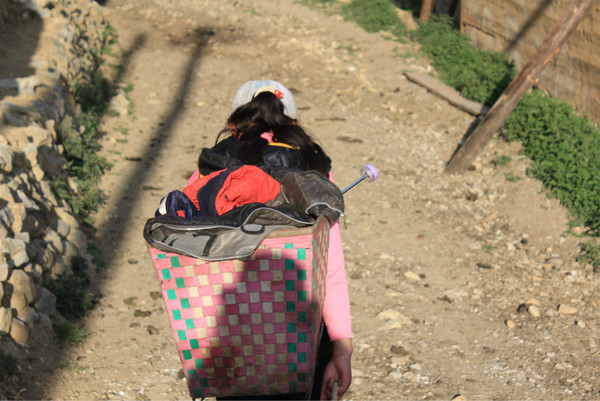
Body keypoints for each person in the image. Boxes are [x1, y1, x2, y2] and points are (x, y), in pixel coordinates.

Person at [189, 79, 353, 400]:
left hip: (232, 337)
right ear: (292, 124)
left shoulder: (212, 167)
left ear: (232, 123)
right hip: (299, 337)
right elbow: (329, 270)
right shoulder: (313, 170)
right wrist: (342, 347)